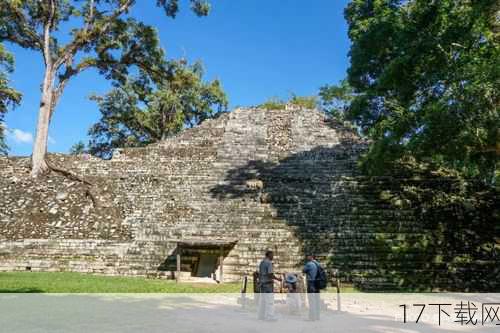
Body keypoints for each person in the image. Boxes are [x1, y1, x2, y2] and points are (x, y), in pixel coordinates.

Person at [257, 250, 282, 321]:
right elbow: (270, 274)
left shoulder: (262, 262)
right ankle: (270, 316)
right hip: (268, 284)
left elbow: (260, 273)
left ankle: (261, 316)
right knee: (270, 301)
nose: (273, 257)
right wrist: (278, 279)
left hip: (262, 283)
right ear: (269, 255)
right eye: (272, 255)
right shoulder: (269, 263)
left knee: (262, 301)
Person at [303, 254, 321, 320]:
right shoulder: (318, 264)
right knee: (317, 300)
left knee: (311, 300)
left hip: (311, 284)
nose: (307, 257)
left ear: (311, 257)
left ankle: (312, 317)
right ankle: (317, 316)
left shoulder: (309, 264)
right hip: (317, 284)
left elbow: (303, 270)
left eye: (308, 256)